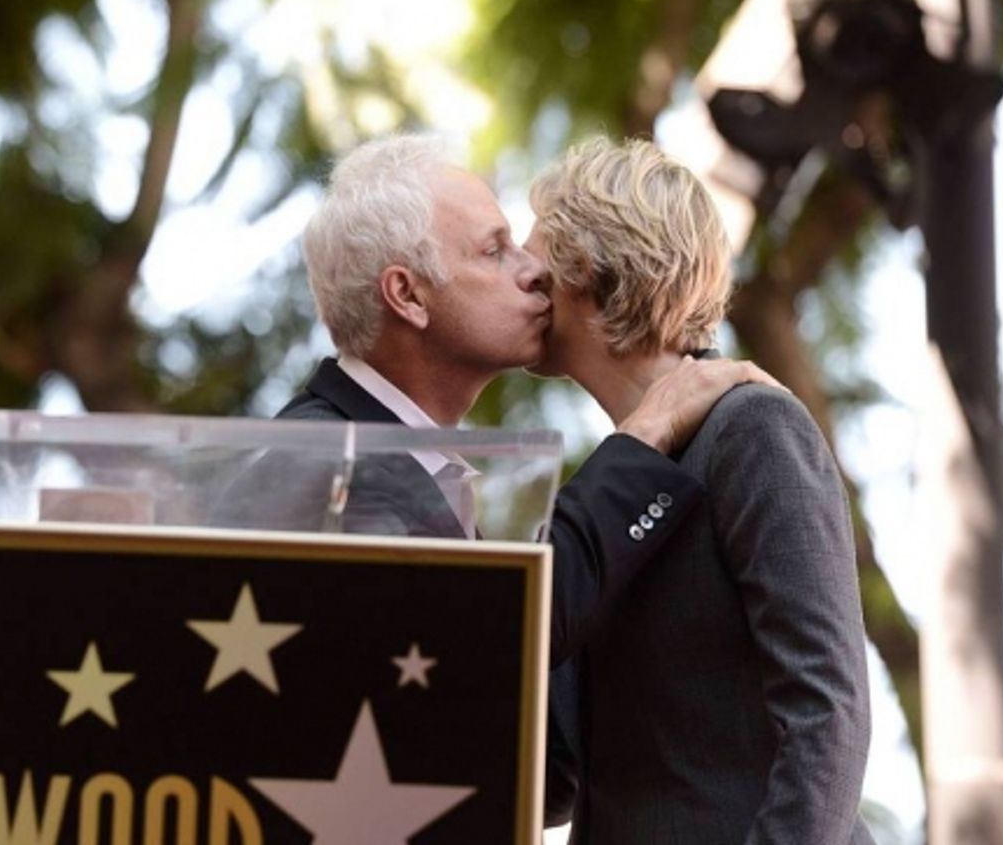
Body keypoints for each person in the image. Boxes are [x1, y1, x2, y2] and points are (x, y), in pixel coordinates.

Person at [276, 134, 775, 668]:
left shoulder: (399, 465)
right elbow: (491, 639)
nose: (536, 270)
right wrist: (643, 435)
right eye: (495, 251)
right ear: (408, 295)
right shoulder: (324, 466)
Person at [525, 137, 872, 843]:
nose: (521, 280)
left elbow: (827, 712)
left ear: (583, 264)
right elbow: (560, 775)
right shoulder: (608, 486)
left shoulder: (752, 426)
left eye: (530, 255)